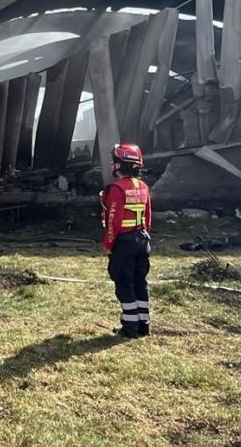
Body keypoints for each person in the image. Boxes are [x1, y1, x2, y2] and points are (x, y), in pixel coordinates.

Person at [101, 144, 152, 338]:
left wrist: (108, 244)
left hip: (124, 243)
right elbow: (147, 217)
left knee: (124, 283)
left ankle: (130, 327)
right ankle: (143, 325)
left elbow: (113, 220)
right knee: (140, 282)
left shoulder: (117, 189)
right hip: (142, 240)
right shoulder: (144, 187)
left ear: (118, 165)